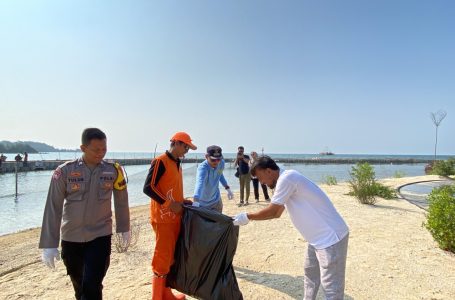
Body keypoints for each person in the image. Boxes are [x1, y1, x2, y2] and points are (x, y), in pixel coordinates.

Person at [234, 156, 349, 300]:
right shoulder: (282, 182)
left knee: (331, 289)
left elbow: (275, 212)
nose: (261, 182)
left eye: (260, 178)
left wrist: (247, 216)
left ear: (268, 171)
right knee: (310, 275)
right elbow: (279, 210)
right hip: (315, 239)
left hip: (331, 239)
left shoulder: (288, 178)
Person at [39, 128, 131, 300]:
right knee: (79, 286)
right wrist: (49, 244)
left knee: (92, 285)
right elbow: (53, 206)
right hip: (71, 239)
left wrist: (124, 228)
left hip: (100, 237)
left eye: (104, 149)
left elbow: (121, 201)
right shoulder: (64, 171)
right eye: (96, 149)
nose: (101, 153)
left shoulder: (113, 171)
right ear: (83, 148)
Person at [143, 131, 197, 300]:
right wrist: (169, 204)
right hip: (163, 219)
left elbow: (171, 188)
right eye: (186, 147)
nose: (187, 151)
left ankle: (165, 294)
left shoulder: (177, 163)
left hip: (175, 218)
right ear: (177, 143)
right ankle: (157, 297)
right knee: (162, 258)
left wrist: (182, 201)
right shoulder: (160, 161)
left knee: (170, 258)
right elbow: (148, 188)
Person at [193, 145, 234, 213]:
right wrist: (195, 201)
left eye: (218, 159)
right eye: (213, 159)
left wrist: (228, 188)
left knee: (217, 222)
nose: (216, 162)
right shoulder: (202, 168)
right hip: (203, 204)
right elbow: (199, 183)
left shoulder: (221, 163)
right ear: (206, 156)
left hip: (216, 201)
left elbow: (220, 175)